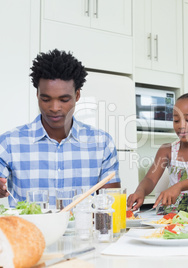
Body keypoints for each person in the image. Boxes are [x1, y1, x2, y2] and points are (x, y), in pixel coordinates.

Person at [0, 49, 120, 207]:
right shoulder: (10, 142)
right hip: (29, 231)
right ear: (37, 95)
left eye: (64, 99)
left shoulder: (102, 143)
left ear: (77, 96)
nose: (54, 107)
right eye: (46, 99)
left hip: (82, 231)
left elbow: (111, 204)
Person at [127, 92, 188, 214]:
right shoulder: (167, 150)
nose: (181, 125)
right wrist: (140, 191)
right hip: (174, 216)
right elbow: (150, 179)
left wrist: (178, 186)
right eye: (176, 120)